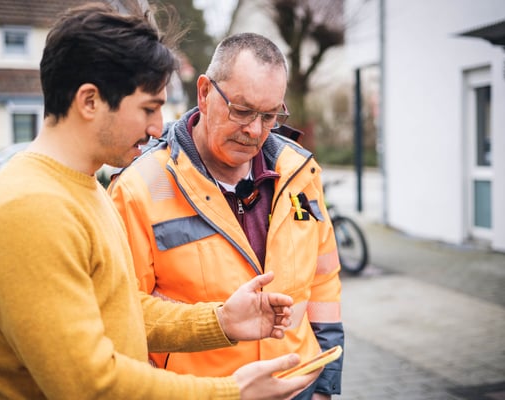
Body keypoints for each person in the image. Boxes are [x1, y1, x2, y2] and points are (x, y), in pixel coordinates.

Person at [0, 3, 322, 399]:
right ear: (90, 101)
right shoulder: (30, 209)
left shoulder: (83, 188)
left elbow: (121, 311)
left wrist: (219, 320)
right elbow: (88, 384)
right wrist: (231, 393)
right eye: (149, 109)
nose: (156, 128)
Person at [108, 32, 345, 399]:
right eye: (242, 109)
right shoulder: (141, 186)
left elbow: (324, 279)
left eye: (269, 115)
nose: (254, 130)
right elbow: (123, 315)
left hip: (297, 386)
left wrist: (324, 383)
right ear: (204, 93)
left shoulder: (300, 173)